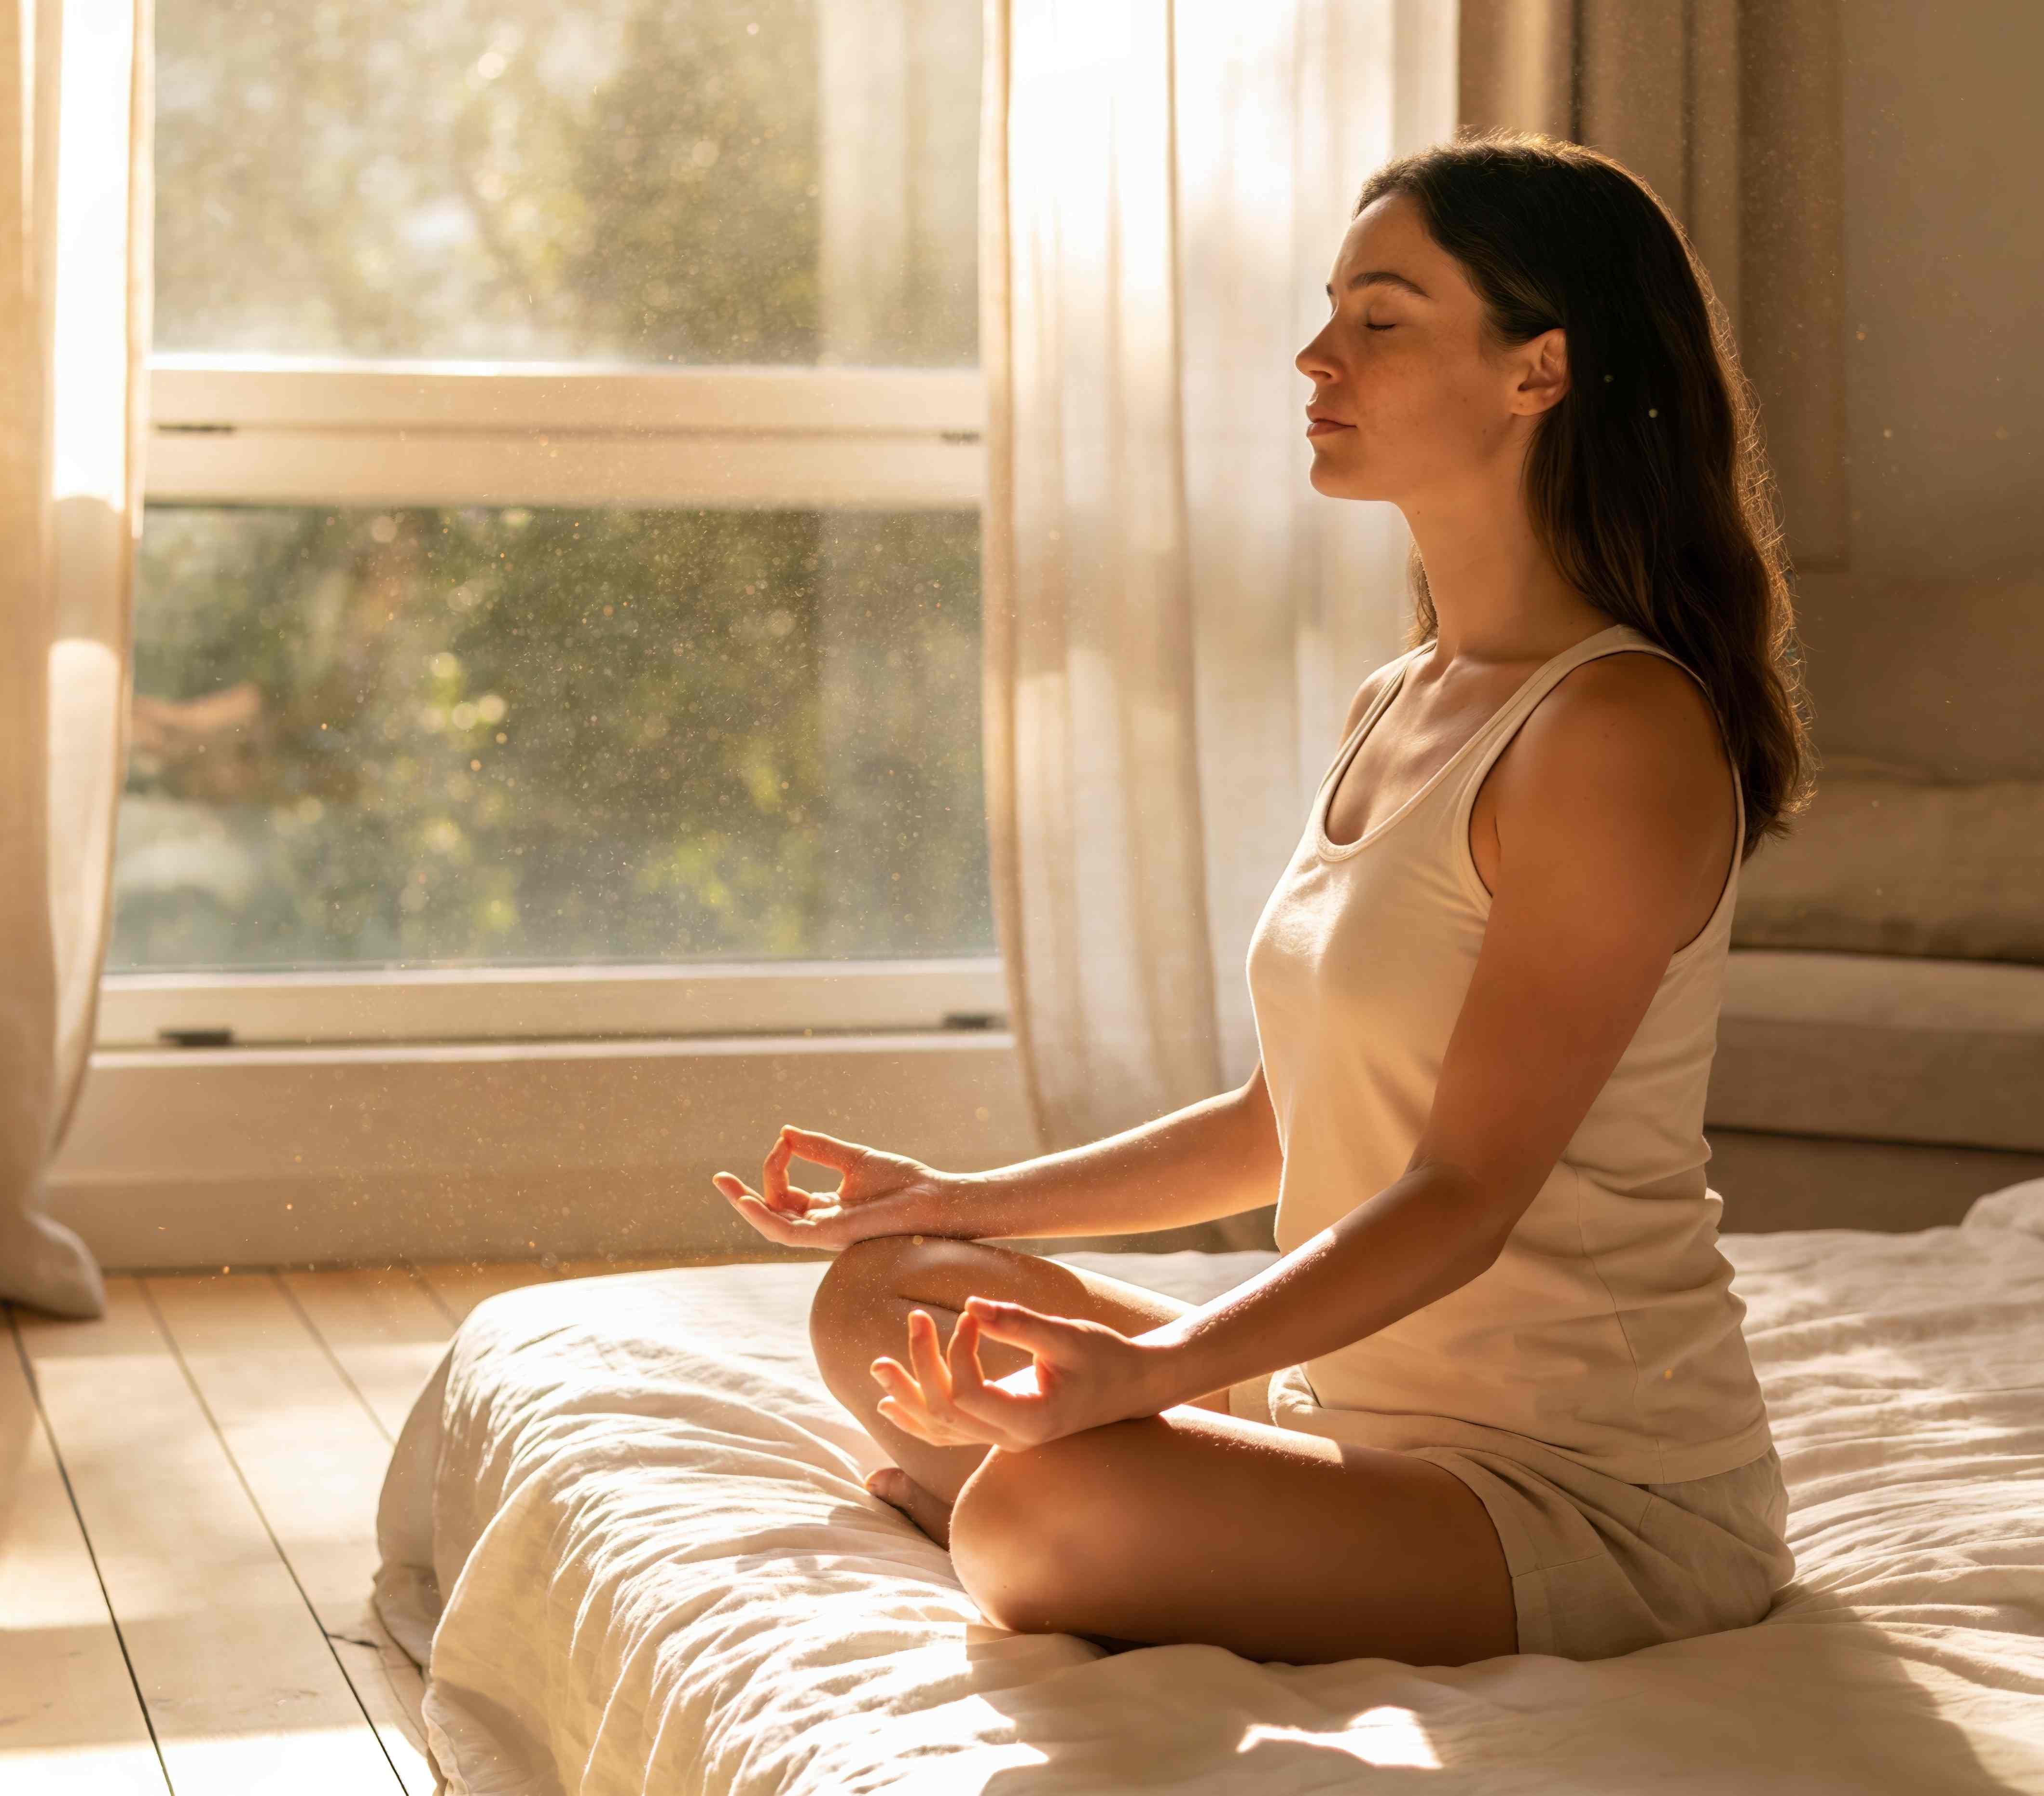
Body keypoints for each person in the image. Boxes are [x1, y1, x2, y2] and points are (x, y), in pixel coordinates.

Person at [710, 130, 1811, 1669]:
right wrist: (949, 1200)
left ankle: (1113, 1527)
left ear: (1537, 371)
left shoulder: (1616, 734)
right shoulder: (1407, 693)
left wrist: (1147, 1368)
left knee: (1037, 1514)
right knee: (883, 1297)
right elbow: (1276, 1122)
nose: (1318, 355)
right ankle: (1180, 1519)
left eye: (1382, 317)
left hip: (1572, 1489)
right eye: (1331, 311)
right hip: (1337, 1405)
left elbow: (1462, 1194)